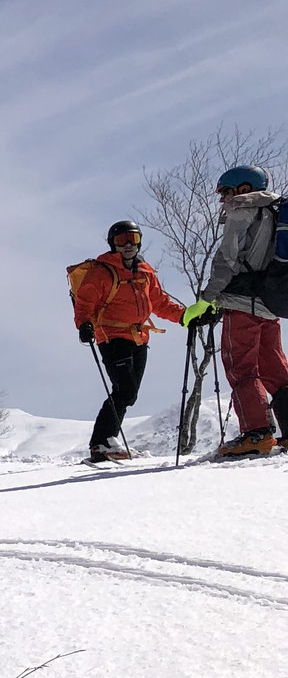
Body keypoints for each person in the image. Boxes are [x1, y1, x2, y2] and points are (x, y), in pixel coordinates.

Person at [189, 164, 288, 459]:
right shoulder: (277, 211)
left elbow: (227, 260)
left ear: (243, 188)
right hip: (271, 303)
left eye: (225, 192)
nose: (223, 199)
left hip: (241, 303)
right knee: (275, 369)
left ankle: (256, 434)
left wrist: (208, 299)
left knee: (241, 367)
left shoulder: (242, 209)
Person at [69, 220, 184, 462]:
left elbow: (160, 303)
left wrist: (184, 317)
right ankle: (101, 443)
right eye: (122, 240)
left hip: (139, 337)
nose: (129, 245)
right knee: (124, 390)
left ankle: (106, 442)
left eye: (133, 239)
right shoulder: (100, 272)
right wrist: (84, 325)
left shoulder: (145, 272)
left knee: (129, 395)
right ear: (113, 244)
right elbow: (85, 303)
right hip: (111, 336)